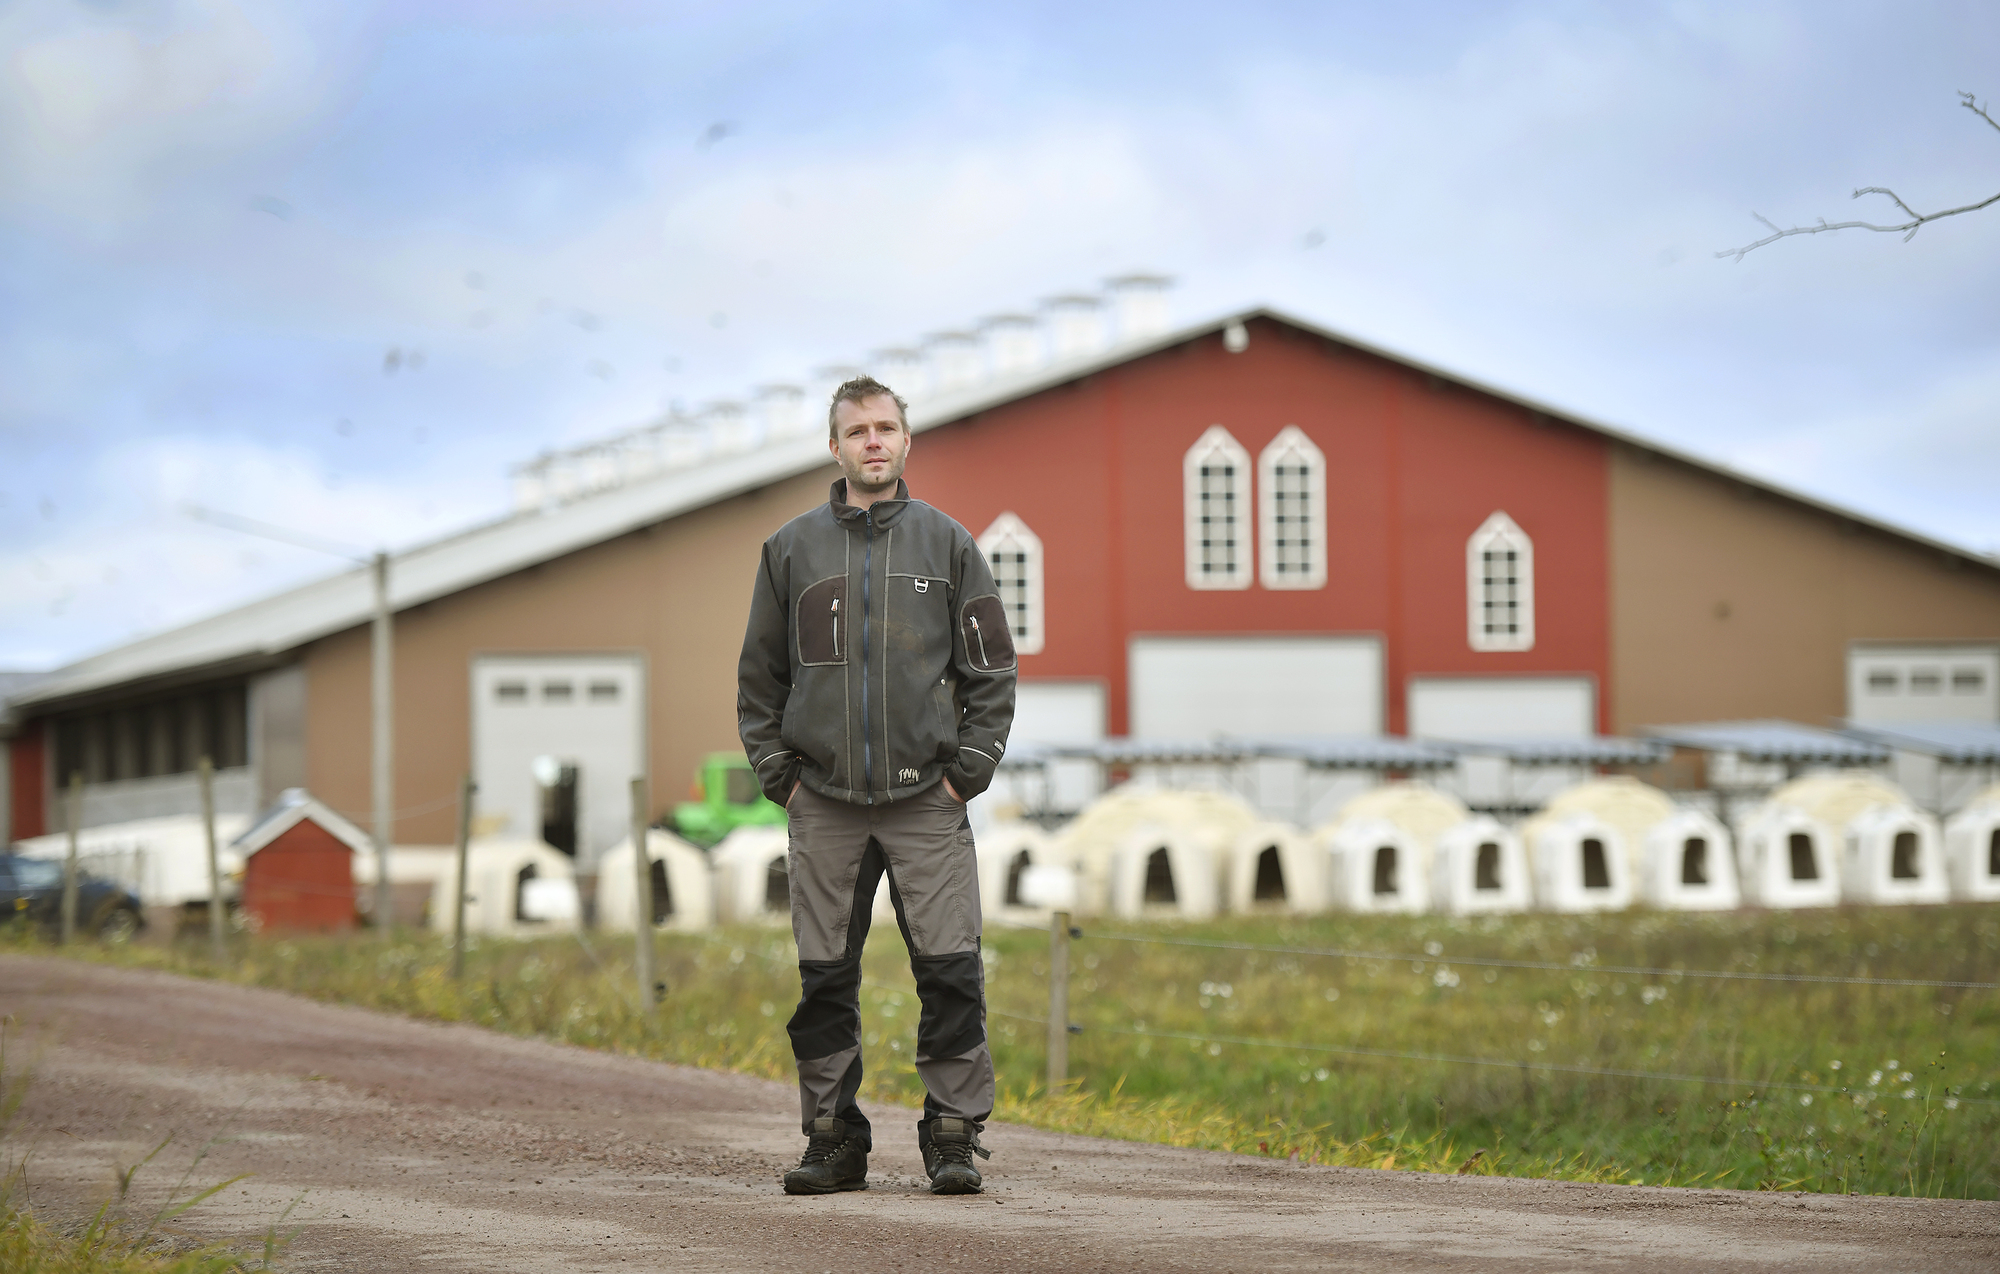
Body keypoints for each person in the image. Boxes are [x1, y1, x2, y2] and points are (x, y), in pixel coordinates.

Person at [737, 376, 1017, 1196]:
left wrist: (967, 774)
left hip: (927, 799)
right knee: (825, 978)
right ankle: (832, 1140)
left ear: (905, 441)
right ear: (834, 446)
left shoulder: (948, 545)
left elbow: (991, 670)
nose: (873, 441)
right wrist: (782, 779)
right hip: (823, 803)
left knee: (951, 972)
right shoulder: (790, 550)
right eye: (857, 430)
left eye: (886, 428)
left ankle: (952, 1135)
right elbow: (759, 678)